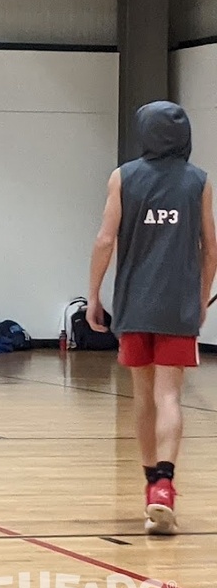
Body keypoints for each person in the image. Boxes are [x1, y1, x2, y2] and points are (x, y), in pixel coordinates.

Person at [87, 100, 217, 536]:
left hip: (134, 305)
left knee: (143, 398)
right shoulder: (198, 181)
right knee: (170, 398)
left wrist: (93, 296)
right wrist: (200, 299)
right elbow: (210, 249)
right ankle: (165, 485)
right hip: (177, 306)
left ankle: (151, 490)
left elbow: (105, 240)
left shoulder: (123, 177)